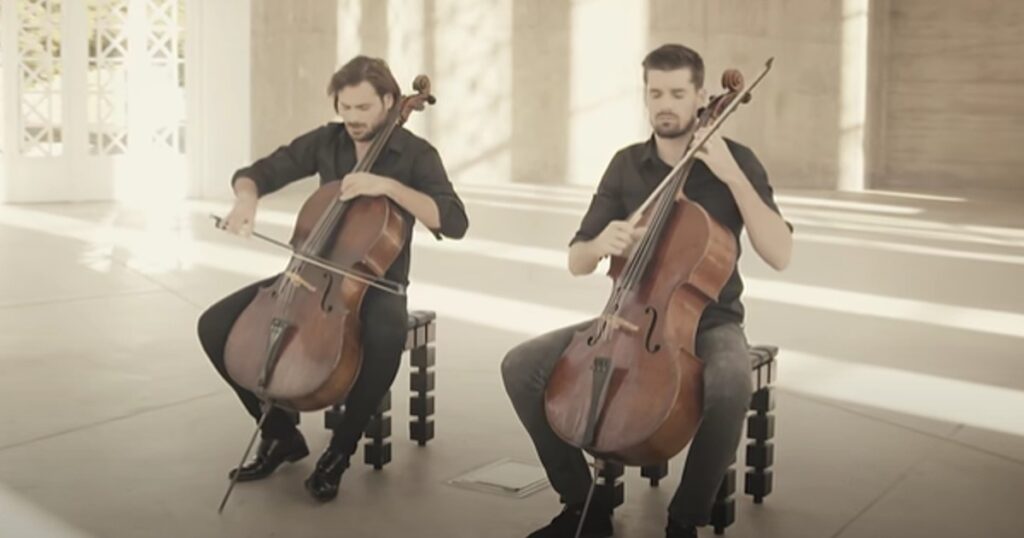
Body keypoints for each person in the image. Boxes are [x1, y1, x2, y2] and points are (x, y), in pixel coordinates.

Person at [501, 43, 792, 538]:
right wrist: (599, 243)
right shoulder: (626, 166)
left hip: (711, 321)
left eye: (678, 93)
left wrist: (730, 176)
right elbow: (577, 260)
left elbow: (780, 251)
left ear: (701, 96)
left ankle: (684, 519)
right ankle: (583, 507)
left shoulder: (736, 162)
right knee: (521, 366)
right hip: (626, 314)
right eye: (655, 92)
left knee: (730, 383)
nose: (666, 103)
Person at [197, 55, 468, 502]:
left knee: (384, 339)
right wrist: (246, 200)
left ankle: (339, 452)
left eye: (363, 109)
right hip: (310, 276)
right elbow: (260, 172)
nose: (353, 119)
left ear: (389, 100)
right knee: (214, 326)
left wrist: (389, 188)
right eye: (345, 108)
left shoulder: (417, 155)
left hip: (378, 283)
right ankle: (282, 435)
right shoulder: (328, 141)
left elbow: (455, 222)